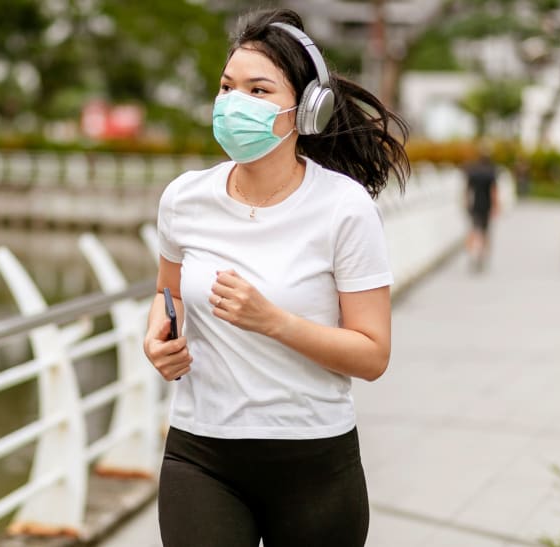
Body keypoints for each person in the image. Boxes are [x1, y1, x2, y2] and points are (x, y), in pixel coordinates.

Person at [141, 8, 410, 547]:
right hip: (202, 451)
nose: (234, 102)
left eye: (257, 90)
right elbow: (167, 292)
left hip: (313, 462)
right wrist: (157, 338)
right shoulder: (185, 198)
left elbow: (372, 354)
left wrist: (272, 321)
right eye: (226, 87)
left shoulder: (344, 208)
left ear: (306, 110)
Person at [464, 147, 498, 272]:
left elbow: (467, 190)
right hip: (486, 206)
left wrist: (466, 203)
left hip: (475, 205)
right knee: (485, 232)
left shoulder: (473, 172)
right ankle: (482, 256)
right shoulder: (491, 173)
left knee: (473, 229)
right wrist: (496, 207)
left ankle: (471, 252)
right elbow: (493, 191)